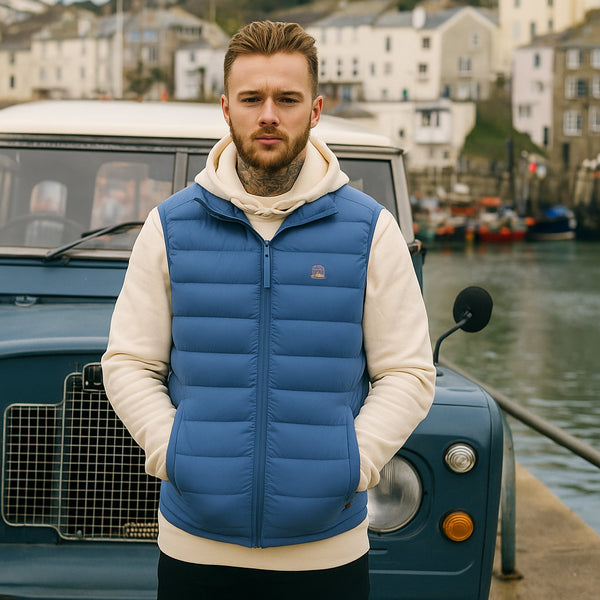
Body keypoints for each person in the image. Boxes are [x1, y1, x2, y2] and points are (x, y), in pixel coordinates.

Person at [101, 20, 436, 600]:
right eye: (253, 99)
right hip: (194, 544)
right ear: (226, 108)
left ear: (316, 108)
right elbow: (129, 362)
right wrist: (172, 450)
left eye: (287, 98)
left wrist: (352, 462)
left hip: (327, 549)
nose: (268, 115)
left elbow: (407, 371)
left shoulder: (371, 231)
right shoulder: (169, 227)